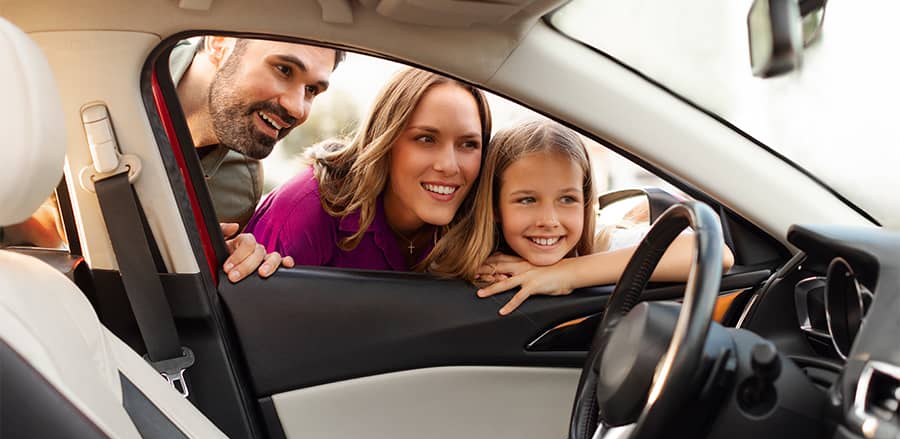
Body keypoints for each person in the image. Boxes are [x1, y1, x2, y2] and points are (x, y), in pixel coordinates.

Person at [428, 119, 734, 315]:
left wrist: (568, 272)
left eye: (567, 199)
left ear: (585, 202)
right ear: (494, 206)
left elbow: (715, 253)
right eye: (527, 200)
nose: (548, 219)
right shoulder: (486, 264)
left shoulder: (602, 241)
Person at [244, 67, 492, 270]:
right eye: (426, 139)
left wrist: (532, 274)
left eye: (468, 144)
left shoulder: (487, 222)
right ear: (385, 140)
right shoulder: (307, 208)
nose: (449, 166)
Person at [170, 36, 344, 281]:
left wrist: (232, 262)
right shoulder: (110, 71)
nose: (297, 108)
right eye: (284, 70)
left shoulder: (240, 187)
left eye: (311, 90)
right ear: (219, 43)